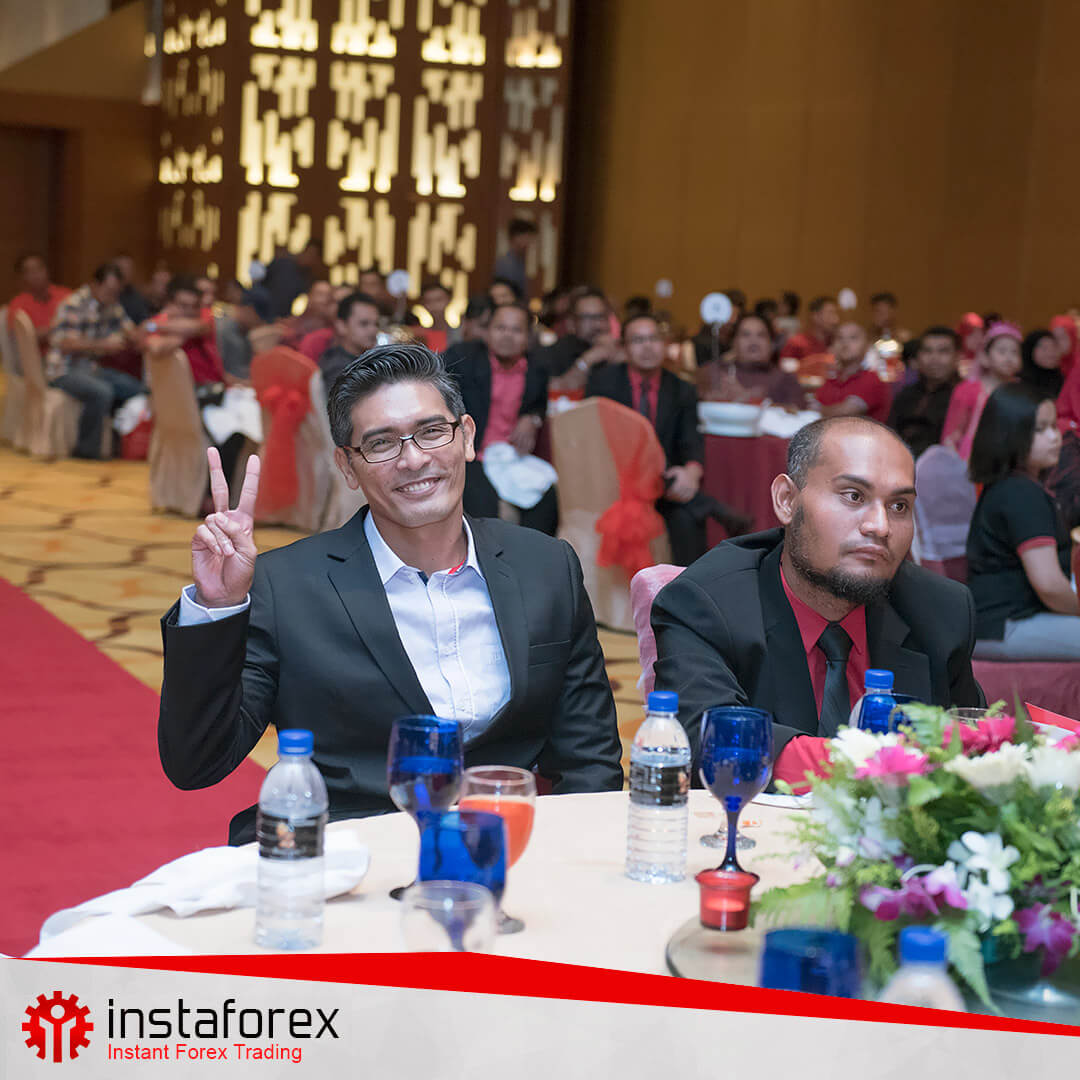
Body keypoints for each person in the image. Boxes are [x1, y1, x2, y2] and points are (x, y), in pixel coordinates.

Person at [157, 344, 623, 842]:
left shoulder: (545, 566)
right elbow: (197, 763)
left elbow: (589, 759)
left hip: (503, 845)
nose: (414, 459)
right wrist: (219, 608)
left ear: (466, 437)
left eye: (432, 431)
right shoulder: (285, 586)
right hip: (347, 850)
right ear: (347, 467)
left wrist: (573, 854)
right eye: (381, 444)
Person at [651, 415, 984, 785]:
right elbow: (705, 739)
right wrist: (877, 766)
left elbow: (972, 748)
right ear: (787, 500)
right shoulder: (708, 602)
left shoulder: (941, 609)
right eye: (853, 496)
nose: (880, 526)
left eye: (899, 506)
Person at [587, 312, 751, 564]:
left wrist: (691, 473)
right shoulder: (603, 384)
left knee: (687, 517)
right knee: (684, 498)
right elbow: (594, 440)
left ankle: (689, 585)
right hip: (615, 478)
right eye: (638, 340)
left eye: (653, 339)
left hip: (664, 485)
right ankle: (713, 507)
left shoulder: (681, 389)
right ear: (624, 348)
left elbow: (690, 440)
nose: (647, 347)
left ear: (664, 345)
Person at [966, 384, 1080, 659]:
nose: (1055, 436)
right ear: (1009, 434)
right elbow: (1049, 586)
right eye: (1040, 429)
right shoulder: (1020, 493)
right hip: (1006, 625)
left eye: (1053, 425)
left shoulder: (1011, 485)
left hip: (999, 623)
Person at [444, 302, 557, 535]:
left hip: (512, 454)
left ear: (528, 337)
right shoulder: (462, 358)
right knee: (483, 504)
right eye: (500, 328)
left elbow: (539, 405)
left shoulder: (537, 369)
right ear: (487, 331)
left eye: (516, 330)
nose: (507, 335)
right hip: (471, 454)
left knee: (548, 499)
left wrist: (532, 418)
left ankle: (531, 557)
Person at [46, 262, 144, 458]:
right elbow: (66, 344)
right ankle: (86, 451)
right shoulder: (74, 304)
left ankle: (119, 446)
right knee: (102, 392)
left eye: (116, 292)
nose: (112, 296)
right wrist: (103, 345)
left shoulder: (111, 304)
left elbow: (130, 330)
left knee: (135, 389)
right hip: (63, 370)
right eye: (108, 291)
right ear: (95, 285)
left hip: (91, 369)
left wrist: (147, 330)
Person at [941, 320, 1021, 460]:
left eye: (1015, 352)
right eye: (1002, 351)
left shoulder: (1021, 391)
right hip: (971, 458)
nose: (1009, 357)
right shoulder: (967, 390)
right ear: (985, 356)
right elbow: (953, 434)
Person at [697, 313, 805, 408]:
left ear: (772, 344)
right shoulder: (713, 372)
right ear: (733, 342)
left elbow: (798, 415)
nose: (754, 341)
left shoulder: (786, 379)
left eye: (761, 335)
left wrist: (750, 401)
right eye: (745, 334)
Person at [887, 326, 961, 459]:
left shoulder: (963, 395)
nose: (934, 358)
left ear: (957, 357)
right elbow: (890, 433)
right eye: (927, 351)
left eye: (943, 351)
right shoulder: (906, 393)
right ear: (918, 356)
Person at [532, 287, 621, 389]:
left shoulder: (619, 351)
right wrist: (586, 362)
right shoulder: (550, 354)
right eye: (587, 318)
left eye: (601, 317)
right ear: (571, 323)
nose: (597, 325)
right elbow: (556, 391)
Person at [815, 322, 891, 422]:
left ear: (867, 346)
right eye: (839, 338)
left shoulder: (873, 380)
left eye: (853, 338)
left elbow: (844, 414)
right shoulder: (831, 379)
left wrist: (816, 410)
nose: (845, 343)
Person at [317, 291, 380, 389]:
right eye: (364, 323)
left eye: (376, 324)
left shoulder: (362, 360)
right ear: (341, 326)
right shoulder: (337, 369)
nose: (373, 330)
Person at [6, 253, 70, 347]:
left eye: (39, 268)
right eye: (29, 271)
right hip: (39, 354)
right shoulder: (17, 304)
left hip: (73, 349)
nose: (36, 274)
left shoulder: (65, 295)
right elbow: (18, 337)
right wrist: (57, 329)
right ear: (22, 277)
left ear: (47, 270)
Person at [215, 286, 272, 381]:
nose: (260, 324)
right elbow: (218, 372)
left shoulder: (246, 331)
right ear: (249, 310)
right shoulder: (223, 329)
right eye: (258, 318)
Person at [263, 240, 323, 320]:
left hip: (283, 319)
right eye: (309, 254)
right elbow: (261, 281)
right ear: (304, 251)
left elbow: (301, 303)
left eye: (313, 257)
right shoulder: (282, 263)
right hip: (263, 313)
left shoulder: (307, 279)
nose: (310, 258)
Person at [779, 295, 839, 364]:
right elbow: (784, 368)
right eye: (830, 313)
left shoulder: (836, 343)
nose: (836, 320)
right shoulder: (797, 343)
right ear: (816, 316)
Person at [493, 218, 537, 301]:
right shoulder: (506, 263)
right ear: (516, 237)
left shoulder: (520, 260)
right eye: (527, 237)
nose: (530, 242)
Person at [1019, 328, 1064, 400]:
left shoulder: (1062, 378)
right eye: (1044, 348)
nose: (1050, 352)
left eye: (1054, 347)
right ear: (1030, 351)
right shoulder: (1020, 382)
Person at [418, 279, 461, 354]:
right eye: (428, 301)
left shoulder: (461, 334)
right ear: (423, 304)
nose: (434, 305)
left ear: (449, 300)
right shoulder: (418, 335)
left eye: (439, 300)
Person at [112, 253, 151, 325]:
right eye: (121, 268)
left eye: (128, 269)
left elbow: (147, 324)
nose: (124, 272)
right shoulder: (107, 294)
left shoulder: (137, 298)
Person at [1050, 314, 1080, 381]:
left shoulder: (1077, 364)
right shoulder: (1049, 362)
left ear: (1072, 338)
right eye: (1054, 337)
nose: (1057, 342)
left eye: (1062, 337)